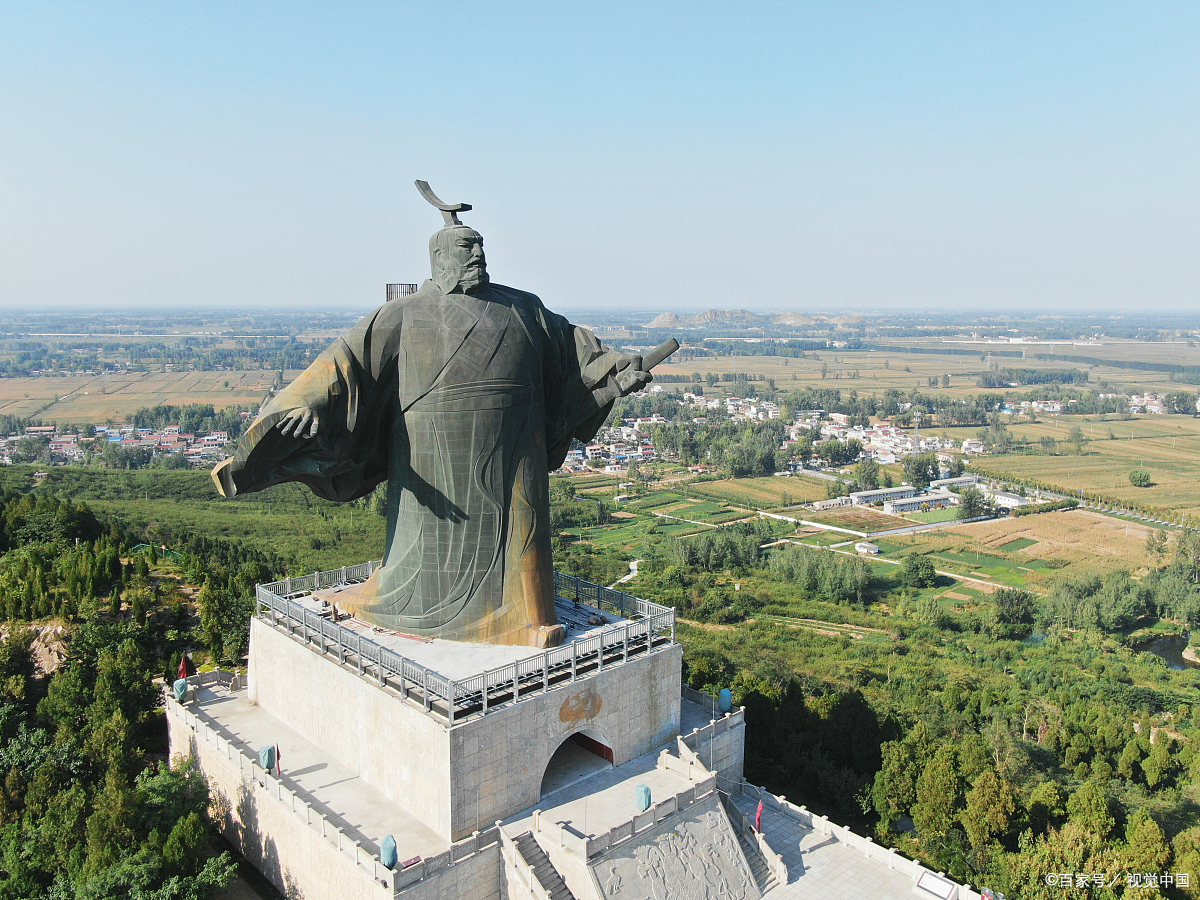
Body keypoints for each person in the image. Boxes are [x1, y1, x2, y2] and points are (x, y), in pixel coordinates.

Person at [213, 189, 653, 648]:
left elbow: (574, 348)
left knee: (521, 534)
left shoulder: (523, 307)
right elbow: (344, 363)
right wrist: (306, 405)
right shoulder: (404, 314)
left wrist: (616, 369)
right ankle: (417, 607)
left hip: (518, 445)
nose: (480, 254)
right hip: (432, 454)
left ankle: (523, 618)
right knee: (429, 551)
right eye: (468, 247)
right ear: (440, 256)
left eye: (481, 245)